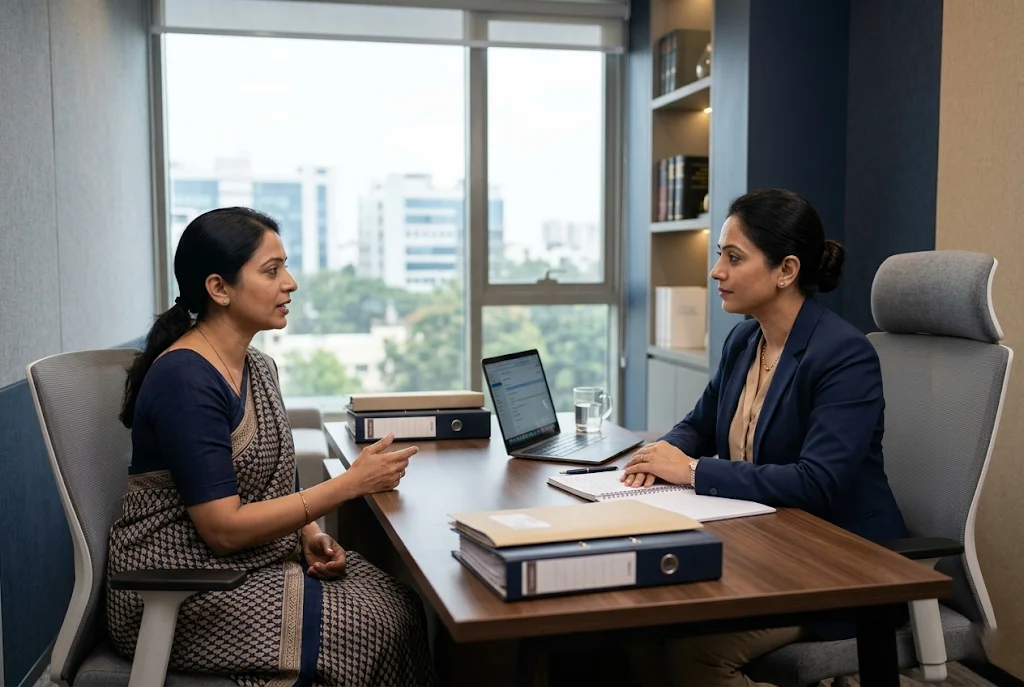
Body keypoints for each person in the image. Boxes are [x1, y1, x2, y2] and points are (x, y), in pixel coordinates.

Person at [107, 207, 435, 686]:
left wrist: (310, 535)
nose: (291, 283)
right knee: (371, 626)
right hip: (178, 588)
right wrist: (348, 485)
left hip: (245, 563)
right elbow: (221, 530)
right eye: (272, 270)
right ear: (219, 289)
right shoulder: (186, 378)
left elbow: (274, 486)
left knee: (398, 602)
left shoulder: (257, 367)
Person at [621, 189, 908, 687]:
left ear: (786, 270)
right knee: (636, 623)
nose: (717, 273)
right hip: (762, 545)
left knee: (693, 653)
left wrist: (688, 471)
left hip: (838, 563)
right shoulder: (745, 337)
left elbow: (816, 483)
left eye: (734, 258)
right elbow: (701, 423)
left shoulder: (844, 355)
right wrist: (657, 456)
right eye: (720, 257)